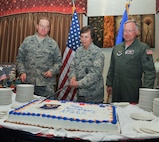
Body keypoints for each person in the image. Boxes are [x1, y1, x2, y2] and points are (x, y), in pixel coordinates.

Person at [106, 19, 156, 103]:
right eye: (124, 31)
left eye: (129, 31)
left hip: (132, 89)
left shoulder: (143, 48)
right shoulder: (117, 48)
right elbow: (112, 67)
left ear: (137, 32)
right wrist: (109, 83)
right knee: (116, 112)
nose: (126, 33)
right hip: (117, 88)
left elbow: (150, 72)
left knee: (131, 113)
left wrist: (146, 91)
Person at [16, 17, 62, 98]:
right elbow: (20, 58)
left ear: (49, 29)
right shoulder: (27, 41)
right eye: (41, 26)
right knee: (27, 108)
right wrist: (22, 72)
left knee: (47, 109)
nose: (43, 29)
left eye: (46, 27)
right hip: (29, 82)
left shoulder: (53, 44)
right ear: (37, 26)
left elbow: (58, 62)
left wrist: (52, 71)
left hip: (46, 84)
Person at [69, 25, 105, 103]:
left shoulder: (97, 52)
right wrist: (73, 77)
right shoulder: (78, 50)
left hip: (94, 95)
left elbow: (95, 74)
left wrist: (78, 84)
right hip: (80, 93)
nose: (83, 40)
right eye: (82, 37)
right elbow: (73, 66)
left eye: (86, 37)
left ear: (92, 38)